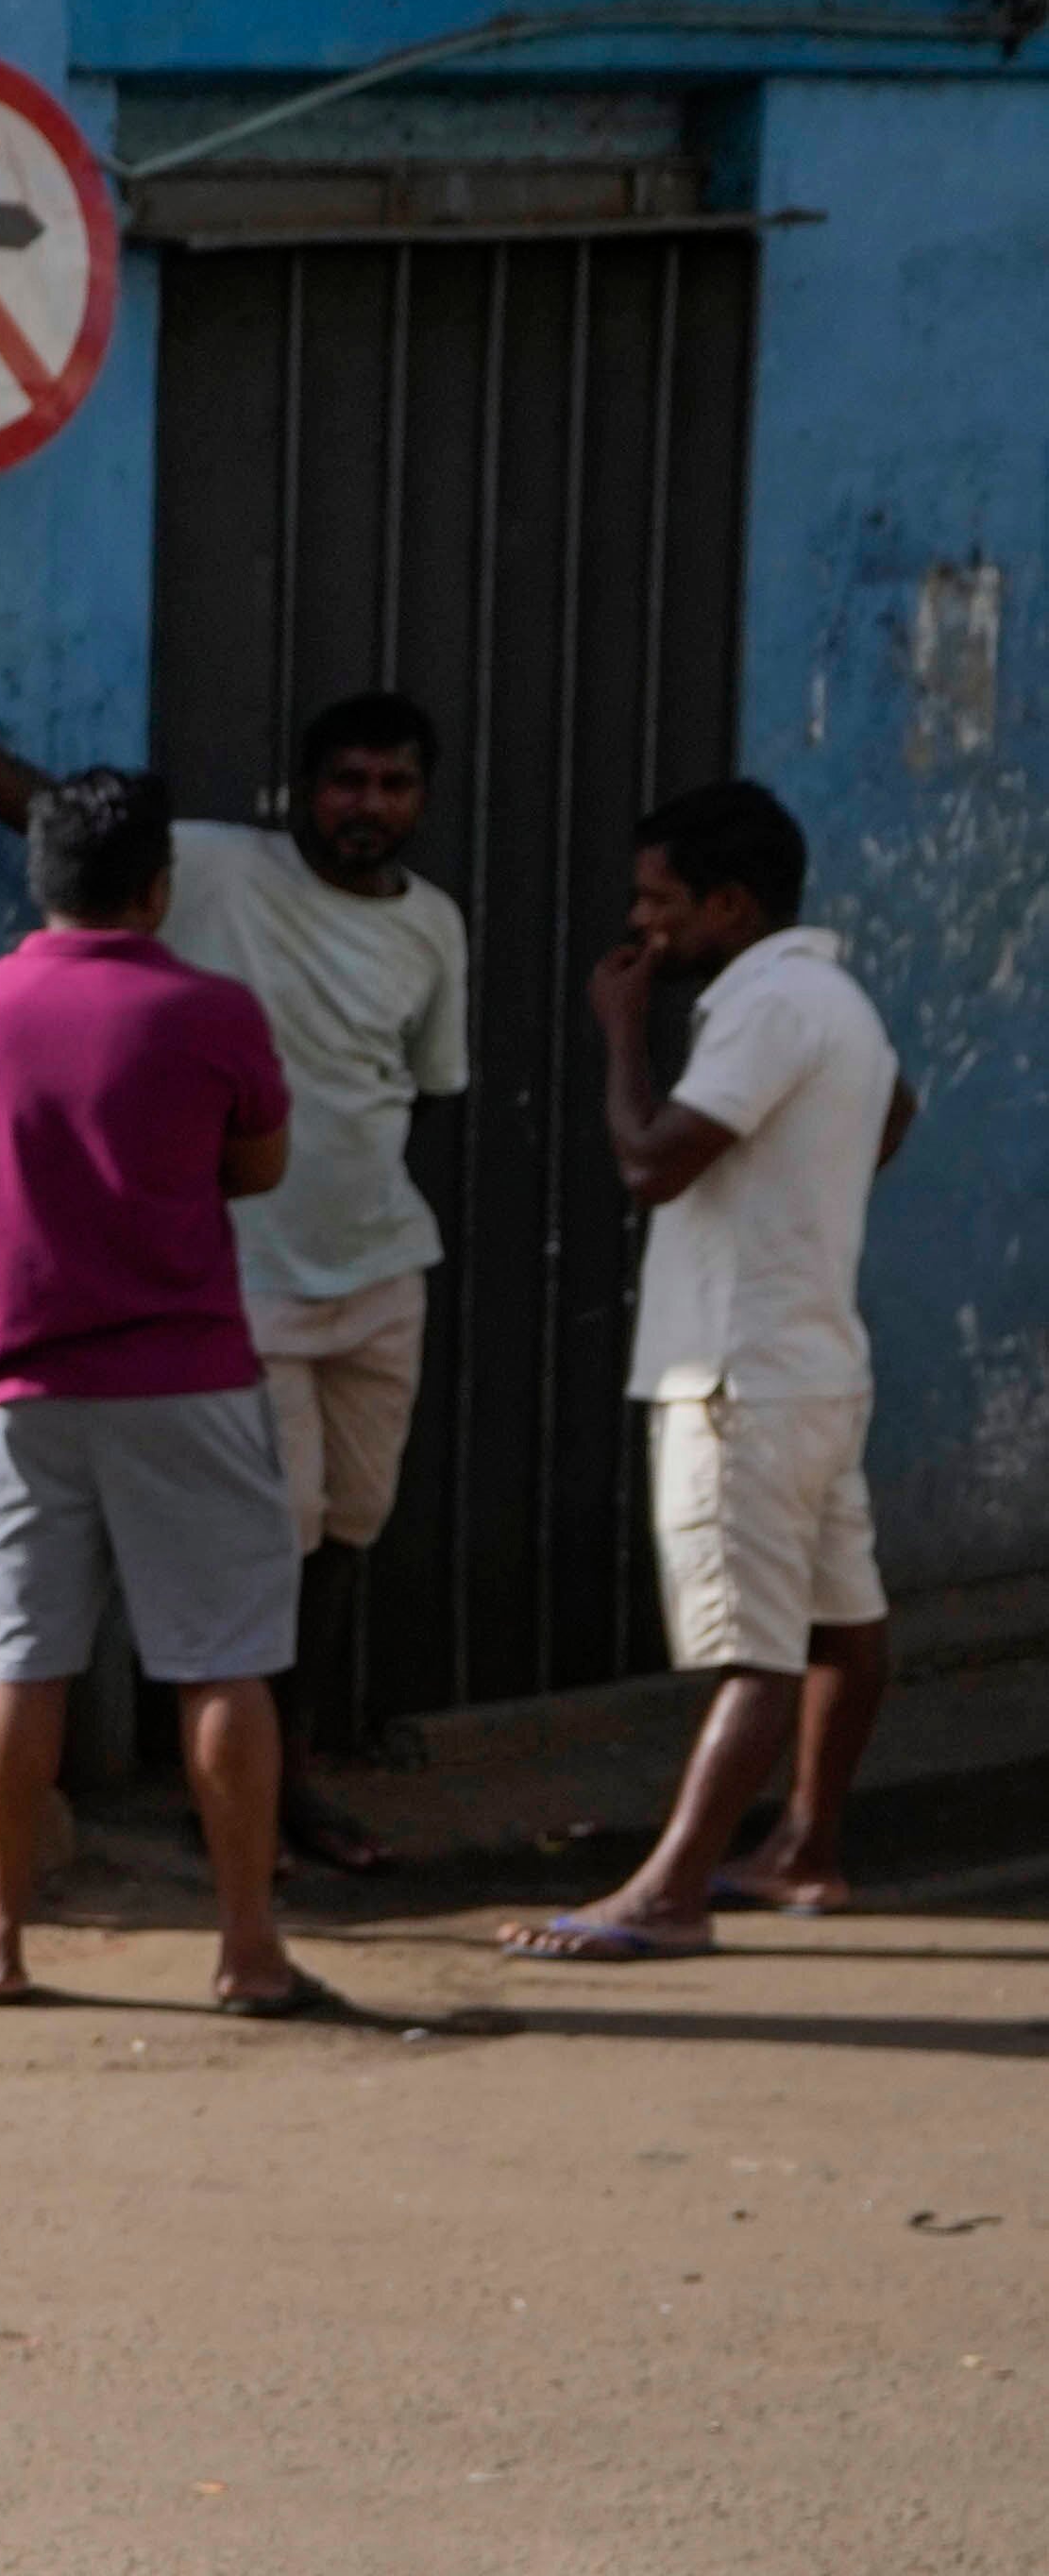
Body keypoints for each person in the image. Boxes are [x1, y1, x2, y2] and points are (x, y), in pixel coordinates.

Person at [0, 646, 467, 1868]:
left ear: (419, 797)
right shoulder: (208, 866)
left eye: (392, 784)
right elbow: (59, 824)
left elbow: (422, 1088)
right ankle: (269, 1815)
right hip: (238, 1293)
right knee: (274, 1549)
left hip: (375, 1273)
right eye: (345, 781)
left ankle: (257, 1789)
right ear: (299, 792)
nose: (366, 804)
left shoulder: (431, 927)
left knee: (346, 1533)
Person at [0, 766, 315, 2018]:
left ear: (40, 881)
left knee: (15, 1665)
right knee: (221, 1665)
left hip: (18, 1388)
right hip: (185, 1377)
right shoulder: (214, 1012)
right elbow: (255, 1165)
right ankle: (246, 1952)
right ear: (156, 888)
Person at [504, 779, 912, 1960]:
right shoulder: (833, 996)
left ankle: (668, 1891)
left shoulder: (758, 1005)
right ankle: (804, 1849)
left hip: (735, 1374)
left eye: (659, 902)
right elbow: (893, 1111)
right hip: (817, 1365)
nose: (642, 928)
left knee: (756, 1643)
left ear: (730, 905)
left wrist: (620, 1030)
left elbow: (649, 1164)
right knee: (842, 1618)